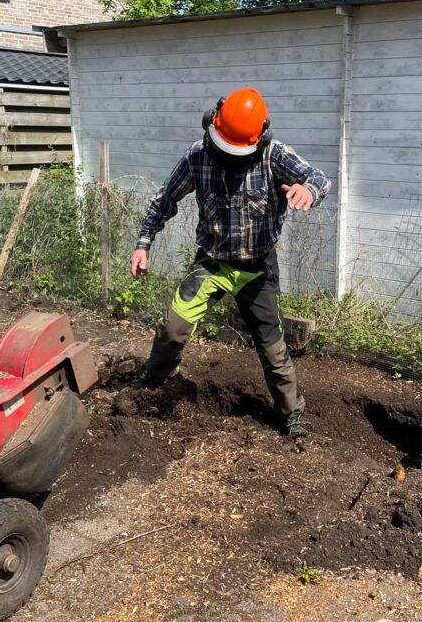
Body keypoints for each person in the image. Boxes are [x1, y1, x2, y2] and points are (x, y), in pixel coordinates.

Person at [128, 87, 330, 439]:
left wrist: (309, 191)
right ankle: (155, 381)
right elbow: (164, 200)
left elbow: (319, 178)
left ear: (260, 137)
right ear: (213, 125)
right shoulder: (198, 156)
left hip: (256, 270)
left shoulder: (273, 155)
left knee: (272, 347)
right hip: (212, 264)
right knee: (174, 328)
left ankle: (291, 413)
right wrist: (143, 243)